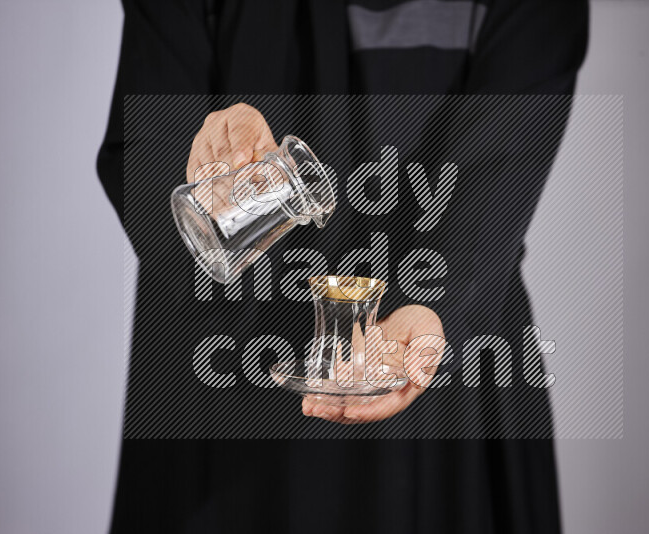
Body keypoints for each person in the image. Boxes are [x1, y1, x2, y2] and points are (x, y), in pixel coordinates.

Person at [98, 1, 588, 532]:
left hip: (441, 375)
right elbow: (145, 144)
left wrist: (436, 304)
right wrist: (210, 157)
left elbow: (504, 160)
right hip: (220, 384)